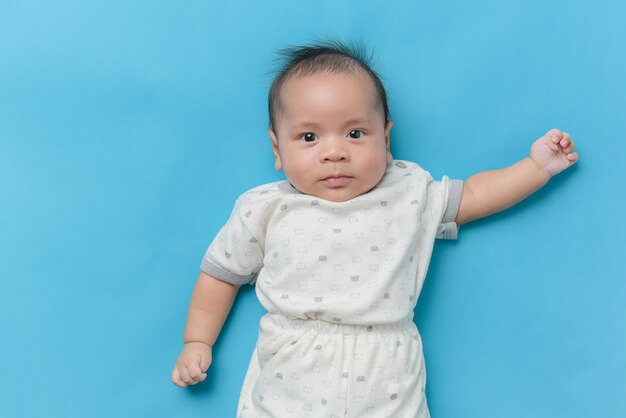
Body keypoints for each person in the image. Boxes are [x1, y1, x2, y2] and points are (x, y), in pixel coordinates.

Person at [171, 41, 578, 417]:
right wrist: (197, 340)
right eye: (309, 137)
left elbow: (472, 195)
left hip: (385, 366)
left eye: (355, 133)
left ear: (385, 139)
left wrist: (536, 168)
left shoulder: (408, 192)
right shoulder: (264, 208)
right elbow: (220, 275)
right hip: (294, 366)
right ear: (278, 150)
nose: (334, 152)